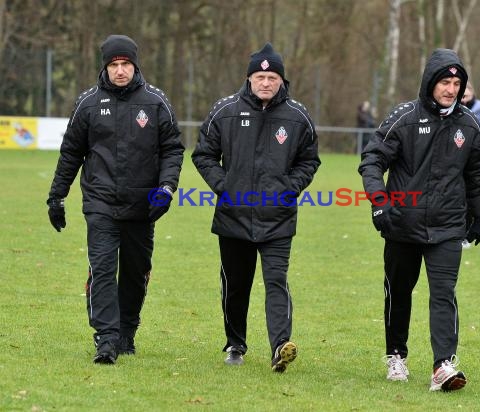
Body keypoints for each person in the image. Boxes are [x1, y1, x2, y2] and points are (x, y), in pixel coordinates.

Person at [46, 34, 184, 364]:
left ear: (135, 66)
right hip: (101, 204)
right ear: (105, 68)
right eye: (113, 65)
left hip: (142, 206)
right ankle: (105, 339)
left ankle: (127, 332)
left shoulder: (156, 102)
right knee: (104, 269)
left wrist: (166, 189)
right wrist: (56, 197)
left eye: (125, 64)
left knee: (136, 273)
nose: (120, 71)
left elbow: (172, 149)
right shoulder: (88, 104)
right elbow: (70, 154)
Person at [358, 48, 480, 391]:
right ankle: (396, 355)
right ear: (430, 82)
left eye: (457, 82)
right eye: (445, 81)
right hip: (401, 222)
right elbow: (372, 161)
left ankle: (442, 366)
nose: (451, 88)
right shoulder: (403, 118)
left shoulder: (470, 125)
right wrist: (379, 202)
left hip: (448, 226)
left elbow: (476, 177)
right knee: (399, 292)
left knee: (443, 292)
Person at [192, 42, 320, 372]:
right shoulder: (225, 111)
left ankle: (280, 346)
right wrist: (225, 186)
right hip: (233, 217)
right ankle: (235, 343)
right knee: (236, 286)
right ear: (249, 78)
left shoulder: (297, 116)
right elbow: (203, 155)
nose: (266, 82)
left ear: (282, 81)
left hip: (277, 218)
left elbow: (309, 161)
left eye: (272, 76)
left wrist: (290, 188)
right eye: (260, 76)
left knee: (276, 281)